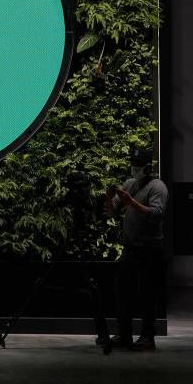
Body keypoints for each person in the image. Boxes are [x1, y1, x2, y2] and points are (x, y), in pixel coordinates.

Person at [104, 146, 168, 351]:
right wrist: (109, 197)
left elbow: (156, 213)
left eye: (138, 165)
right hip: (130, 248)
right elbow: (111, 213)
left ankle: (148, 337)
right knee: (122, 291)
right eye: (133, 164)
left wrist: (130, 202)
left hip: (149, 249)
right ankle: (124, 334)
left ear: (148, 167)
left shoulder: (157, 186)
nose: (134, 168)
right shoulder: (130, 184)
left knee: (147, 294)